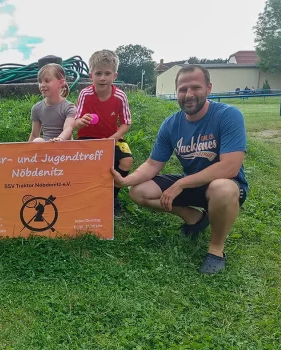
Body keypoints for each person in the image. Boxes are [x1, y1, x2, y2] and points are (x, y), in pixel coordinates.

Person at [111, 64, 248, 274]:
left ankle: (216, 249)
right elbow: (152, 165)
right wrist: (124, 181)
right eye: (183, 89)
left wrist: (181, 183)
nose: (189, 94)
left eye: (195, 88)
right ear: (177, 92)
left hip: (226, 185)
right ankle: (195, 219)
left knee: (222, 189)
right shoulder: (170, 124)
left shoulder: (228, 115)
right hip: (193, 183)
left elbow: (230, 166)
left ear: (208, 88)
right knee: (138, 192)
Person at [74, 49, 133, 217]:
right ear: (91, 75)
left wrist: (113, 139)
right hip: (86, 138)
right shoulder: (85, 94)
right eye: (98, 73)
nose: (102, 78)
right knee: (82, 166)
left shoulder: (120, 96)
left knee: (127, 160)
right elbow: (75, 122)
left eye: (107, 73)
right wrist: (81, 121)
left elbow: (126, 123)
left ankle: (112, 198)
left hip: (112, 138)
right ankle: (86, 195)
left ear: (115, 76)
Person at [28, 63, 76, 142]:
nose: (42, 85)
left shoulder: (69, 107)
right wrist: (26, 153)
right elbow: (34, 135)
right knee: (37, 141)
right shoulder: (36, 108)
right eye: (40, 81)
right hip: (46, 150)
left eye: (47, 81)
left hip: (64, 148)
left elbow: (68, 129)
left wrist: (60, 139)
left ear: (60, 83)